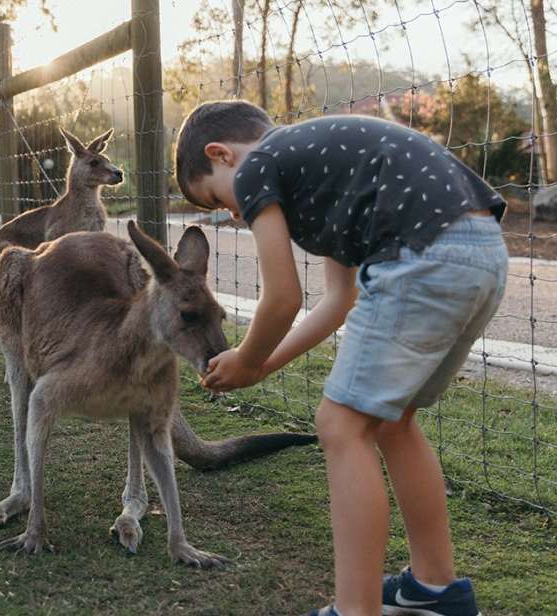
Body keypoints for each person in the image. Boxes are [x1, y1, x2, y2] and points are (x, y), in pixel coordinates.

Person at [175, 100, 504, 616]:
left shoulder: (260, 164)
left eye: (220, 199)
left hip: (421, 256)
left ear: (222, 155)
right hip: (480, 252)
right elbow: (337, 301)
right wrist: (258, 365)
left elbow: (283, 297)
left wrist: (244, 357)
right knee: (393, 422)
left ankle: (356, 610)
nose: (236, 214)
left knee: (339, 425)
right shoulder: (326, 170)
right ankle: (436, 589)